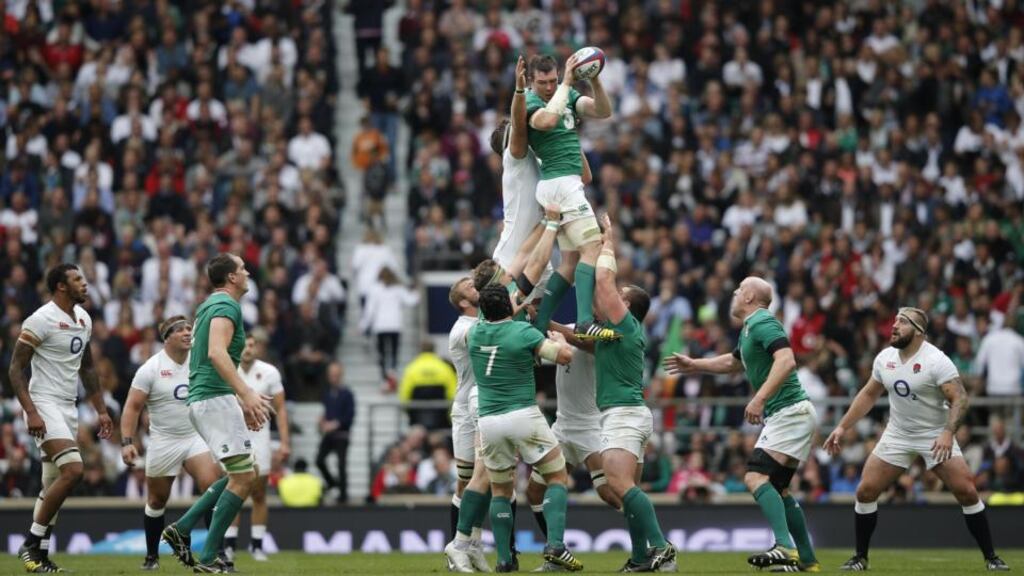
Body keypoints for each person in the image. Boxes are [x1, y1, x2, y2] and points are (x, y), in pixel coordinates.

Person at [823, 307, 1009, 572]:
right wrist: (842, 427)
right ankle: (860, 558)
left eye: (903, 322)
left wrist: (947, 432)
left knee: (967, 491)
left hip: (934, 433)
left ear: (919, 332)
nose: (895, 326)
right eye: (895, 320)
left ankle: (991, 558)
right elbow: (867, 395)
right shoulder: (885, 358)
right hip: (898, 432)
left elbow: (960, 398)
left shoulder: (936, 361)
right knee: (865, 491)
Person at [666, 276, 818, 572]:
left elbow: (786, 361)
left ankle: (784, 547)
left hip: (789, 411)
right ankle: (808, 561)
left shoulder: (763, 322)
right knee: (779, 489)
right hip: (790, 413)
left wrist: (759, 398)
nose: (733, 295)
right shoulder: (750, 329)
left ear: (748, 297)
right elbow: (733, 363)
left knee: (755, 478)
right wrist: (695, 364)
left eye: (738, 291)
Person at [446, 284, 581, 573]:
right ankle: (555, 544)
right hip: (523, 415)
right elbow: (564, 357)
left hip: (489, 421)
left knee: (500, 490)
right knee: (557, 475)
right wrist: (560, 340)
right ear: (508, 308)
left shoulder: (475, 333)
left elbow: (495, 321)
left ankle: (505, 559)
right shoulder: (524, 333)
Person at [161, 254, 272, 573]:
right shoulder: (226, 306)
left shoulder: (210, 305)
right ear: (232, 278)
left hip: (211, 398)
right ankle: (208, 557)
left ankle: (182, 529)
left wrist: (237, 399)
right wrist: (246, 392)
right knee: (243, 478)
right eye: (242, 268)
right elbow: (216, 353)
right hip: (213, 399)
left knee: (246, 473)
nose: (248, 271)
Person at [586, 216, 676, 573]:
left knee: (618, 484)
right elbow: (587, 337)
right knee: (628, 491)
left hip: (622, 413)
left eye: (621, 297)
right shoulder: (617, 333)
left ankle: (661, 548)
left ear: (628, 307)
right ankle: (641, 558)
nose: (614, 295)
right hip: (629, 412)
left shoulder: (624, 323)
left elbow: (603, 281)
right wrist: (548, 324)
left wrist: (607, 240)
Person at [9, 264, 113, 573]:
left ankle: (40, 556)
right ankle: (29, 542)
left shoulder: (84, 319)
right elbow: (15, 368)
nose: (85, 283)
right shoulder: (40, 319)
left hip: (69, 406)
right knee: (74, 470)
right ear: (61, 287)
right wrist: (31, 411)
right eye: (78, 279)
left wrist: (102, 409)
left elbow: (89, 367)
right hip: (44, 403)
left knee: (53, 483)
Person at [120, 316, 224, 572]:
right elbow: (132, 407)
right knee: (156, 500)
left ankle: (214, 553)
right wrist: (127, 442)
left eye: (190, 329)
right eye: (181, 330)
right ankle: (152, 556)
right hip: (164, 440)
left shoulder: (199, 360)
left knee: (212, 486)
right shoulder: (151, 368)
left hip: (194, 436)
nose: (188, 333)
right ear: (167, 337)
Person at [525, 53, 615, 342]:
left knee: (570, 260)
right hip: (559, 182)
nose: (549, 87)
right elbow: (548, 121)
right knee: (594, 246)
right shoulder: (530, 102)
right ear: (531, 81)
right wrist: (565, 82)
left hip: (566, 183)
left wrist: (594, 79)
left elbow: (603, 111)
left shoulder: (568, 94)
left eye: (553, 81)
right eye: (543, 83)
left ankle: (539, 325)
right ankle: (585, 321)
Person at [225, 331, 290, 562]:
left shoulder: (270, 372)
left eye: (252, 345)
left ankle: (256, 546)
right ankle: (229, 545)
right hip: (231, 436)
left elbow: (281, 409)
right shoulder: (227, 369)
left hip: (260, 436)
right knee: (232, 491)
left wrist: (284, 442)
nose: (248, 349)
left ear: (257, 347)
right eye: (244, 345)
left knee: (259, 493)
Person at [317, 361, 355, 504]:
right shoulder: (327, 393)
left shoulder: (347, 394)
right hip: (329, 434)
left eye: (336, 375)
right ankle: (333, 482)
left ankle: (343, 495)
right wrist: (322, 421)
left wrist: (336, 424)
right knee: (319, 460)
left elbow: (350, 416)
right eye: (331, 375)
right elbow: (327, 412)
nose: (334, 378)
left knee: (341, 464)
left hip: (342, 435)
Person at [398, 341, 457, 430]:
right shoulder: (445, 368)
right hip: (441, 419)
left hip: (417, 418)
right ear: (434, 350)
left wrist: (408, 412)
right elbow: (453, 393)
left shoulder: (411, 368)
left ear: (420, 351)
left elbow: (404, 395)